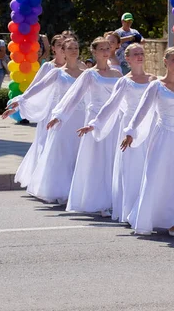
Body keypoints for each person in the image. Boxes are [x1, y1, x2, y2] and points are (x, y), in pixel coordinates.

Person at [77, 44, 156, 222]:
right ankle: (129, 211)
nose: (140, 56)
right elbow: (111, 105)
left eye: (142, 53)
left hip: (150, 127)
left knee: (149, 168)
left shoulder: (153, 80)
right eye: (136, 54)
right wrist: (94, 124)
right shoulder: (124, 81)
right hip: (129, 126)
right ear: (127, 59)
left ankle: (145, 210)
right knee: (132, 168)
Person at [120, 47, 174, 236]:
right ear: (165, 61)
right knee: (157, 175)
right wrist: (131, 131)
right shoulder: (156, 85)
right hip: (162, 136)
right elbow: (142, 110)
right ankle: (150, 217)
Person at [46, 37, 123, 216]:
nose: (105, 51)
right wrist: (59, 115)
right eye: (101, 49)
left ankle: (114, 200)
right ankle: (99, 201)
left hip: (114, 121)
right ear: (94, 53)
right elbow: (74, 96)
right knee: (97, 160)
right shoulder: (89, 74)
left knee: (112, 159)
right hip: (94, 120)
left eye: (107, 48)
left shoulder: (118, 75)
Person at [4, 39, 86, 203]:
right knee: (61, 152)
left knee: (79, 153)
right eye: (70, 48)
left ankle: (78, 191)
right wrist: (19, 101)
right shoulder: (57, 72)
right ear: (62, 51)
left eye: (76, 47)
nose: (74, 51)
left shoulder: (86, 72)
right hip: (61, 118)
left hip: (81, 116)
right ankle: (60, 190)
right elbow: (37, 87)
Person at [4, 34, 67, 188]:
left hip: (69, 111)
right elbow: (35, 88)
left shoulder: (76, 68)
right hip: (51, 110)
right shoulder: (48, 67)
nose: (62, 48)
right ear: (53, 48)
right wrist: (18, 103)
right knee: (46, 144)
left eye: (65, 45)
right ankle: (42, 180)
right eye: (59, 45)